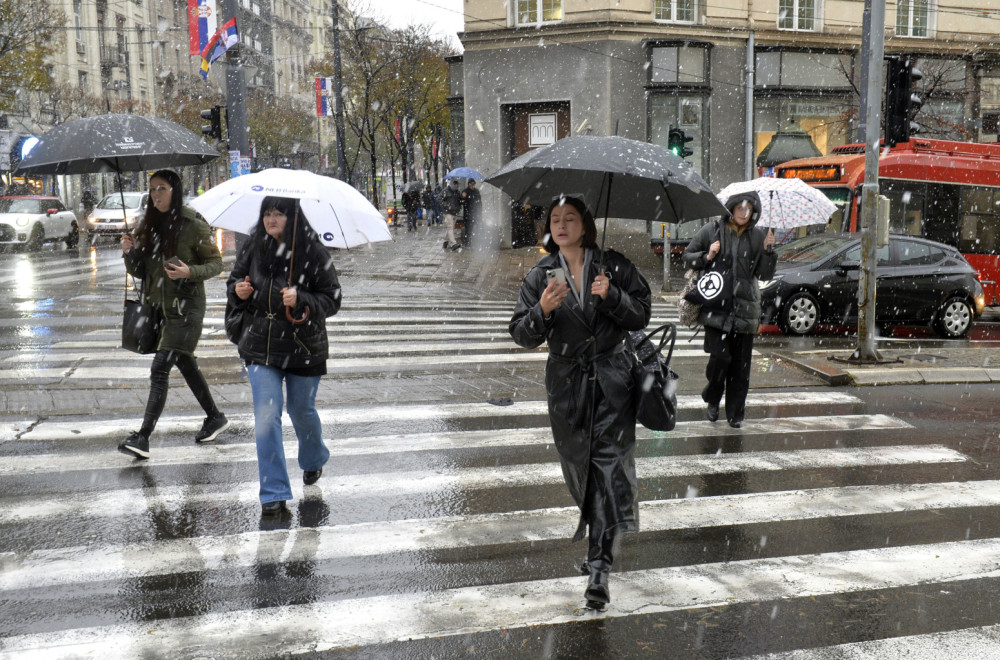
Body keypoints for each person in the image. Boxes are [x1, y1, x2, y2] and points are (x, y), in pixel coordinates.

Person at [509, 195, 651, 610]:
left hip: (612, 383)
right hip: (568, 389)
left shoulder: (615, 265)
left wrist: (613, 297)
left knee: (608, 472)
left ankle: (599, 568)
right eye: (555, 219)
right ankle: (598, 546)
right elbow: (521, 333)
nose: (562, 225)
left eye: (570, 218)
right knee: (583, 472)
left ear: (585, 225)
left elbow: (641, 313)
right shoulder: (540, 274)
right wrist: (542, 310)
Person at [226, 196, 342, 516]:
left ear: (292, 217)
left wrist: (301, 298)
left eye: (278, 213)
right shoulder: (253, 247)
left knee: (301, 410)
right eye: (267, 212)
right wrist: (239, 289)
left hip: (303, 349)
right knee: (266, 418)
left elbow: (332, 298)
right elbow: (234, 280)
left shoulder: (313, 251)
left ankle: (314, 457)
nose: (271, 219)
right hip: (260, 347)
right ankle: (273, 492)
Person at [118, 169, 228, 459]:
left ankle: (143, 437)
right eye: (153, 189)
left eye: (162, 188)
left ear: (175, 191)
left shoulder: (192, 224)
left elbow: (216, 264)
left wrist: (190, 271)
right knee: (184, 362)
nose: (156, 194)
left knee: (160, 368)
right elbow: (141, 272)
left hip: (186, 309)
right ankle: (215, 417)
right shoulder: (149, 225)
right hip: (159, 310)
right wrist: (129, 252)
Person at [683, 192, 777, 428]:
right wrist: (707, 255)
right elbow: (688, 257)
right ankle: (713, 398)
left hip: (746, 311)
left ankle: (735, 414)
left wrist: (768, 252)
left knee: (741, 368)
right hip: (717, 309)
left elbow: (764, 275)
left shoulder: (758, 236)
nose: (744, 214)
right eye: (739, 209)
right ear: (731, 209)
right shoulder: (712, 230)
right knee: (720, 360)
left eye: (748, 210)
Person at [441, 179, 462, 250]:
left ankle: (445, 241)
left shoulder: (457, 192)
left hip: (454, 212)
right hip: (448, 212)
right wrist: (447, 206)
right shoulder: (445, 191)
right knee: (450, 227)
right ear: (452, 184)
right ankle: (453, 243)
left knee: (450, 227)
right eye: (455, 184)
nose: (456, 185)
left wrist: (459, 207)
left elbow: (459, 201)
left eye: (457, 184)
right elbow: (439, 199)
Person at [460, 179, 482, 247]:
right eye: (471, 184)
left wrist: (480, 212)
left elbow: (480, 203)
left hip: (476, 214)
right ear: (469, 184)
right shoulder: (465, 191)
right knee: (468, 230)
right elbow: (461, 203)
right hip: (468, 214)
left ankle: (478, 243)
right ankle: (468, 244)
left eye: (474, 184)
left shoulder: (476, 191)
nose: (472, 185)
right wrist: (463, 197)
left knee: (479, 228)